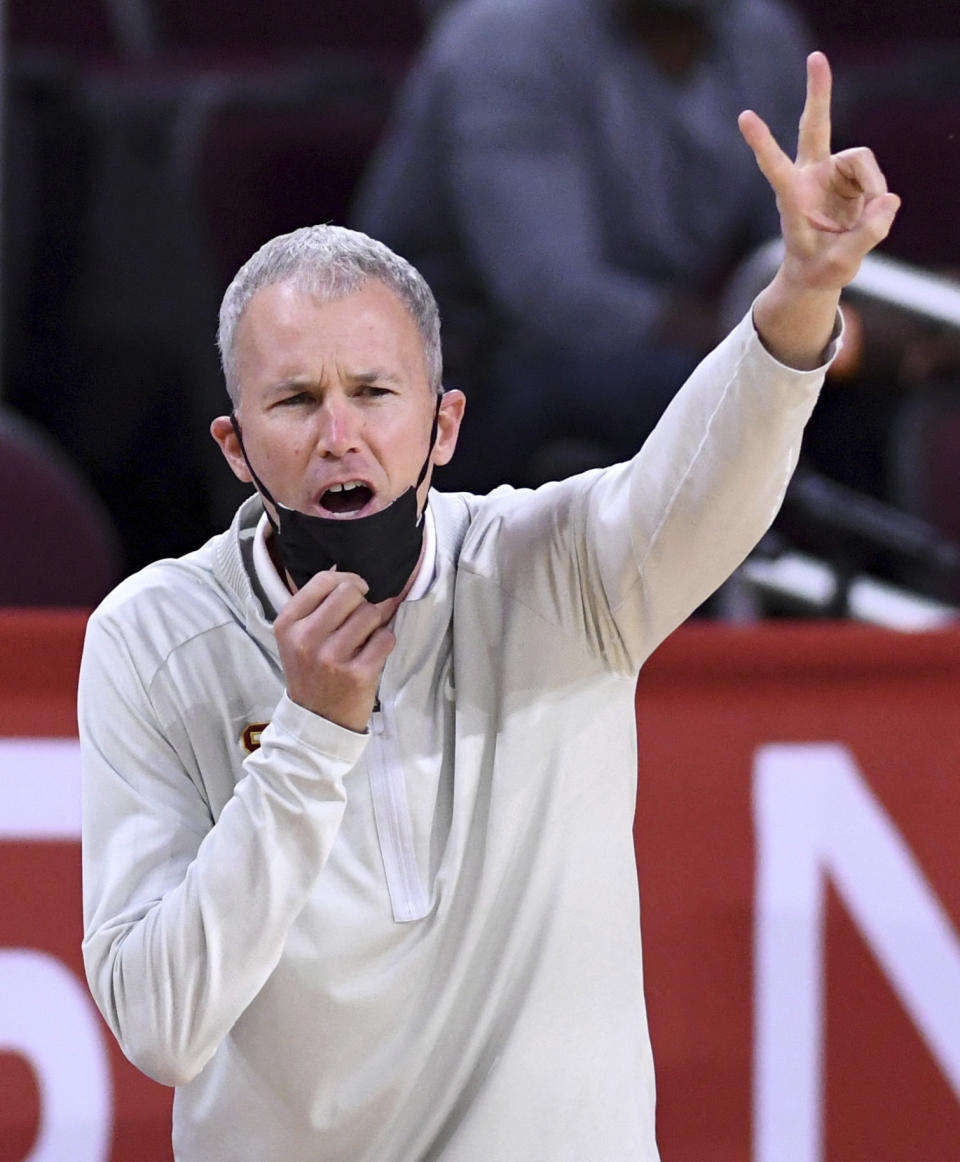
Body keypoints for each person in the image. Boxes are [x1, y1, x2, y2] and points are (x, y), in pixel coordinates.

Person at [79, 53, 898, 1161]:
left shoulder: (551, 567)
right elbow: (161, 1025)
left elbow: (700, 482)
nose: (339, 434)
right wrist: (311, 736)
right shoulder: (149, 637)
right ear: (234, 444)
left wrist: (803, 292)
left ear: (445, 425)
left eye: (375, 392)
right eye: (295, 400)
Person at [353, 0, 813, 490]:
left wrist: (834, 316)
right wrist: (753, 338)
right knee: (708, 391)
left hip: (657, 340)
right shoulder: (504, 34)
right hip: (464, 365)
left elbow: (790, 248)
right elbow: (548, 294)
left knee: (850, 382)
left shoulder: (766, 36)